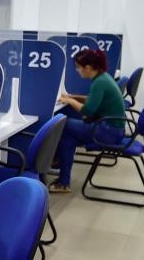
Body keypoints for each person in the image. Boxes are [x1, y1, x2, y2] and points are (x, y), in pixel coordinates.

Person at [50, 48, 126, 193]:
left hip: (107, 132)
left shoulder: (99, 82)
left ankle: (55, 159)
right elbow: (93, 99)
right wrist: (72, 97)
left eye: (78, 67)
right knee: (67, 139)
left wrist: (70, 101)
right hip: (113, 129)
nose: (77, 71)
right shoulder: (103, 77)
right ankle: (63, 182)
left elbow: (88, 110)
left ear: (88, 68)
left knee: (61, 122)